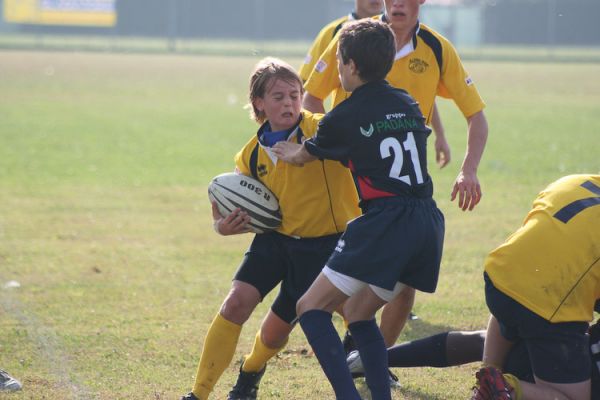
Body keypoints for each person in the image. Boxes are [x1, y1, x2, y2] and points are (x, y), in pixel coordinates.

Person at [302, 0, 488, 355]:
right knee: (341, 266)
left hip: (403, 183)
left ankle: (372, 359)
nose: (398, 3)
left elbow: (476, 115)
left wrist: (469, 169)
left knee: (404, 283)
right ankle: (354, 341)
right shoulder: (354, 37)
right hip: (350, 178)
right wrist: (329, 145)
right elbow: (312, 98)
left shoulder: (436, 48)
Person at [273, 19, 445, 400]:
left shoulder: (345, 115)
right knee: (360, 313)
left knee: (310, 308)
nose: (337, 70)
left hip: (388, 223)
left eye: (338, 63)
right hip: (428, 225)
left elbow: (305, 154)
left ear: (351, 67)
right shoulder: (408, 102)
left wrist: (288, 151)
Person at [179, 58, 361, 400]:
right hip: (275, 241)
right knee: (235, 304)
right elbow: (223, 204)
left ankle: (250, 371)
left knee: (275, 335)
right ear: (259, 103)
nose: (289, 103)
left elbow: (357, 150)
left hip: (323, 246)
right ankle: (198, 393)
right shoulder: (250, 154)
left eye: (295, 94)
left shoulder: (324, 130)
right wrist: (222, 226)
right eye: (278, 96)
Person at [470, 174, 600, 400]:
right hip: (547, 304)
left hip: (499, 280)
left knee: (519, 296)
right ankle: (506, 387)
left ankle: (490, 374)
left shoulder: (574, 181)